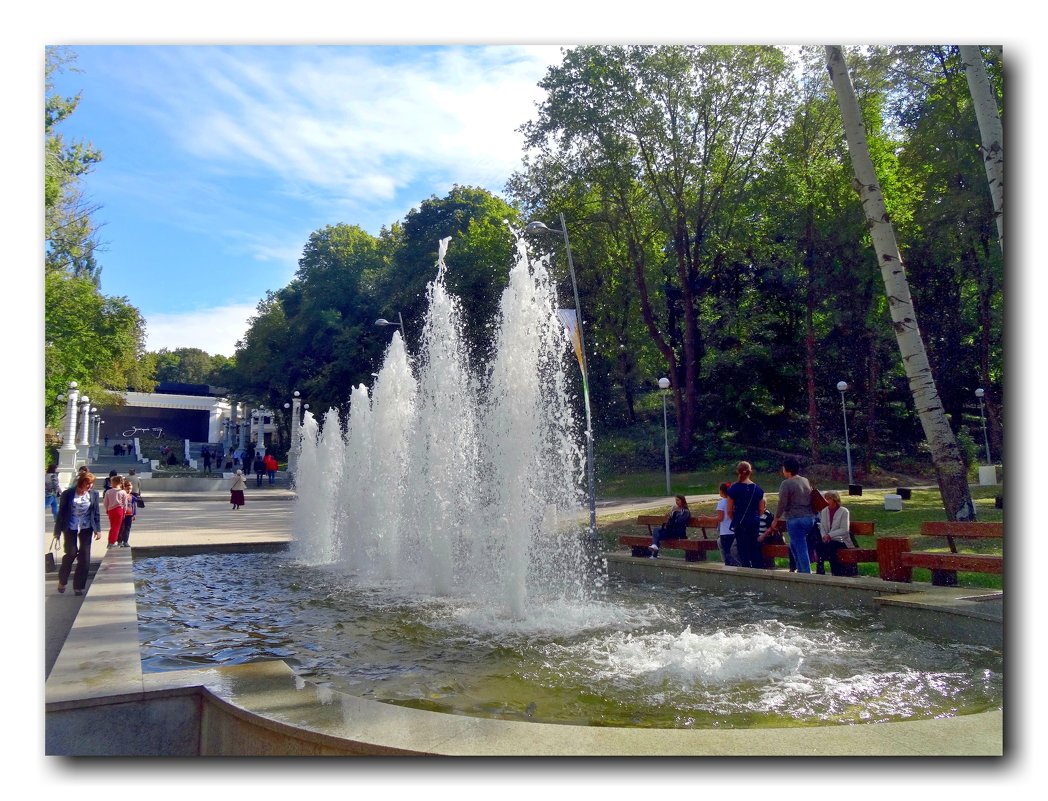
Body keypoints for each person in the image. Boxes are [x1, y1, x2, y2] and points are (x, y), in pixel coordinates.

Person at [765, 456, 816, 574]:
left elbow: (782, 503)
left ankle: (806, 573)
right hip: (809, 518)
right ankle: (799, 568)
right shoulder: (805, 480)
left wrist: (776, 519)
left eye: (783, 468)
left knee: (800, 547)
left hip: (795, 518)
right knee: (794, 544)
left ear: (787, 470)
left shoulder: (786, 483)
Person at [54, 472, 102, 596]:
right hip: (70, 527)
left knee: (85, 557)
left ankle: (78, 586)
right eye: (88, 483)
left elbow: (96, 513)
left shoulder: (94, 494)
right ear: (81, 482)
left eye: (92, 484)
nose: (90, 486)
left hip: (86, 527)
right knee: (71, 553)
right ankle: (63, 580)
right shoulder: (68, 494)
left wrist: (98, 529)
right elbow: (62, 513)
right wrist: (57, 531)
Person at [726, 461, 765, 569]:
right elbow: (761, 509)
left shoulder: (733, 489)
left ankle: (746, 570)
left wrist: (735, 518)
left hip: (740, 522)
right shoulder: (758, 490)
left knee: (742, 548)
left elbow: (729, 510)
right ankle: (758, 570)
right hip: (754, 521)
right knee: (754, 546)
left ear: (737, 471)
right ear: (750, 472)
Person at [816, 490, 854, 576]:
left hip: (841, 540)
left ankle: (836, 572)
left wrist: (830, 535)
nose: (826, 501)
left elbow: (844, 529)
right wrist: (824, 536)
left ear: (835, 500)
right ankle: (820, 570)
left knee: (831, 546)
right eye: (825, 499)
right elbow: (822, 526)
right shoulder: (824, 511)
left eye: (829, 499)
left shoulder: (844, 511)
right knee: (818, 545)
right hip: (827, 539)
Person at [757, 497, 794, 571]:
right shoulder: (755, 515)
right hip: (757, 537)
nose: (758, 506)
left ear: (764, 506)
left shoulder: (768, 515)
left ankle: (763, 564)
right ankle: (758, 565)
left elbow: (771, 528)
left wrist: (763, 536)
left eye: (760, 504)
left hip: (766, 537)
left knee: (760, 544)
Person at [713, 482, 739, 566]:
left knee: (727, 553)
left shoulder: (721, 503)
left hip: (725, 532)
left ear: (721, 491)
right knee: (733, 553)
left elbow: (720, 518)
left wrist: (706, 518)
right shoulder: (733, 501)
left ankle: (729, 569)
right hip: (733, 531)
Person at [102, 475, 127, 548]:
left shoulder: (108, 492)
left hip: (110, 510)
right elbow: (125, 503)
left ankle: (110, 541)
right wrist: (124, 512)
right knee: (117, 527)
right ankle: (112, 542)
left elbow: (105, 502)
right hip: (119, 510)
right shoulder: (122, 492)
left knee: (112, 527)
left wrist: (106, 509)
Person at [117, 478, 137, 547]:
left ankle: (125, 541)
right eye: (127, 489)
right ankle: (119, 541)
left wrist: (134, 514)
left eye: (130, 489)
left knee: (127, 528)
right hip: (122, 514)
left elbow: (134, 506)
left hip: (129, 514)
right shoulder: (121, 496)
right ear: (124, 488)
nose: (129, 490)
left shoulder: (132, 497)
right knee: (121, 528)